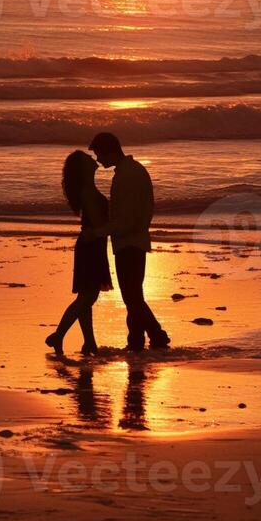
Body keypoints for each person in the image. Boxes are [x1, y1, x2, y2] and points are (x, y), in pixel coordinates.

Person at [88, 132, 170, 353]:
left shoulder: (128, 176)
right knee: (133, 295)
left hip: (129, 242)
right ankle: (138, 339)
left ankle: (155, 335)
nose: (98, 159)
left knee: (131, 296)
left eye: (99, 154)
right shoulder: (132, 171)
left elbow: (126, 219)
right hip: (134, 239)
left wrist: (99, 232)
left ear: (110, 151)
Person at [45, 150, 112, 356]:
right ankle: (59, 334)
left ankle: (89, 342)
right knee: (87, 298)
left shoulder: (88, 189)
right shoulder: (87, 191)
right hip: (91, 245)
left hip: (92, 244)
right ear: (83, 168)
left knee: (86, 296)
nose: (93, 159)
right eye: (87, 158)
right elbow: (98, 222)